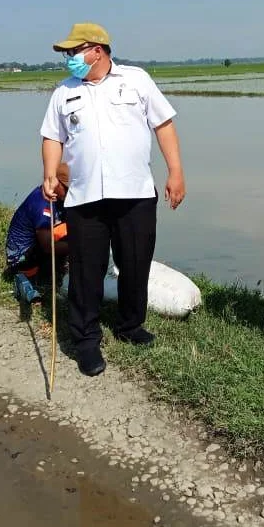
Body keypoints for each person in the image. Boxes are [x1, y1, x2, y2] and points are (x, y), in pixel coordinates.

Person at [41, 22, 186, 377]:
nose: (69, 59)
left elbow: (163, 124)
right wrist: (49, 173)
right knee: (86, 270)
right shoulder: (64, 92)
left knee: (135, 262)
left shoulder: (136, 80)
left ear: (96, 49)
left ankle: (131, 325)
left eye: (73, 52)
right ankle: (86, 340)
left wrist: (176, 172)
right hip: (85, 196)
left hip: (135, 193)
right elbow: (51, 137)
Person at [4, 163, 71, 306]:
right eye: (67, 188)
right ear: (55, 181)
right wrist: (79, 246)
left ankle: (55, 274)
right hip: (22, 256)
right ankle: (26, 277)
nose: (71, 192)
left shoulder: (60, 198)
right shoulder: (43, 204)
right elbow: (47, 246)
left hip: (38, 248)